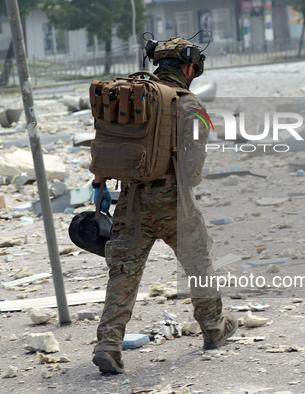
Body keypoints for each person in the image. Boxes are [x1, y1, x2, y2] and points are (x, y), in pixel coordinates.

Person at [91, 37, 237, 374]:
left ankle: (109, 344)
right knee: (198, 262)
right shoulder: (192, 107)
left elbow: (106, 146)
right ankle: (213, 327)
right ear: (188, 68)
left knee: (124, 273)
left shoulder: (131, 97)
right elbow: (195, 172)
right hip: (175, 202)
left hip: (130, 202)